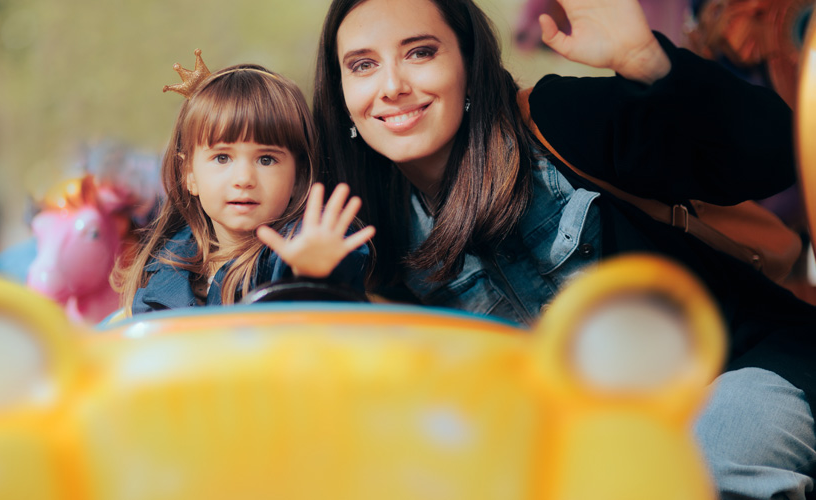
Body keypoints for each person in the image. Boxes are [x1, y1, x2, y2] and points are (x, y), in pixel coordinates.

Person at [311, 0, 815, 498]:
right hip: (596, 449)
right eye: (363, 65)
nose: (392, 86)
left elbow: (771, 156)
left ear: (468, 65)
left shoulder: (555, 123)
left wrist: (647, 61)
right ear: (342, 94)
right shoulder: (367, 235)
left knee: (705, 465)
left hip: (741, 374)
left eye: (420, 53)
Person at [118, 63, 374, 313]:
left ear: (298, 177)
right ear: (190, 175)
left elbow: (328, 313)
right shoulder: (166, 262)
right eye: (222, 158)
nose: (243, 179)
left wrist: (313, 276)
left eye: (266, 159)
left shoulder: (306, 241)